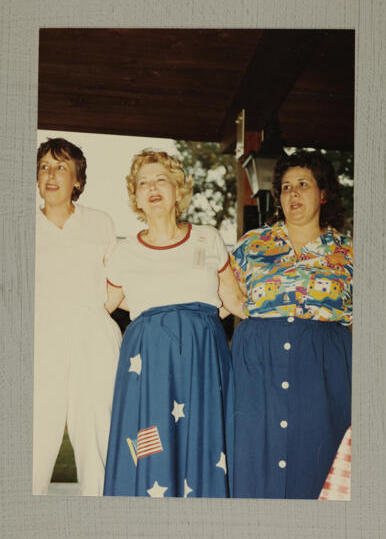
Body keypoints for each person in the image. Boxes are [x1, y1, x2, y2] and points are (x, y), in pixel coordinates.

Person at [103, 149, 246, 498]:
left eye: (161, 180)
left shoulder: (207, 238)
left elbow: (235, 301)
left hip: (202, 360)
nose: (152, 188)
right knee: (152, 448)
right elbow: (103, 306)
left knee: (204, 447)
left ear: (178, 190)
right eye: (143, 183)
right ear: (135, 196)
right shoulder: (123, 253)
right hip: (148, 366)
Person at [230, 150, 352, 499]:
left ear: (323, 194)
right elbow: (217, 299)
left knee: (318, 463)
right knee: (255, 463)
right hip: (258, 370)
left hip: (324, 370)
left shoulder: (349, 252)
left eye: (303, 185)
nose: (293, 194)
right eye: (285, 187)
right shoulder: (252, 245)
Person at [33, 138, 121, 496]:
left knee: (96, 437)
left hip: (92, 336)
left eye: (60, 167)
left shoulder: (99, 222)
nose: (50, 174)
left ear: (78, 181)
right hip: (39, 337)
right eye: (44, 167)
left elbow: (118, 282)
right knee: (34, 439)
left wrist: (91, 318)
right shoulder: (18, 225)